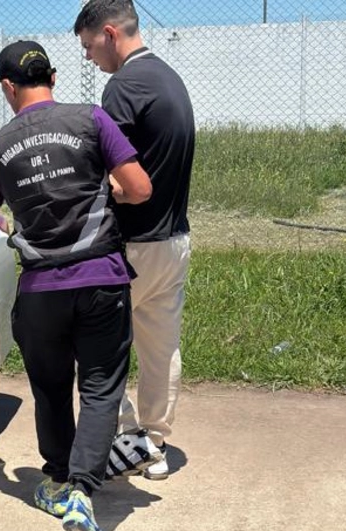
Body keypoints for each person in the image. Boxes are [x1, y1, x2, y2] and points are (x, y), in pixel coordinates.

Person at [0, 40, 152, 531]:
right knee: (100, 387)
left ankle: (60, 479)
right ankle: (83, 493)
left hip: (40, 289)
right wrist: (108, 191)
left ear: (8, 87)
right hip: (101, 279)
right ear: (52, 77)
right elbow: (139, 188)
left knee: (49, 387)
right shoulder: (91, 119)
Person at [74, 0, 196, 480]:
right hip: (173, 238)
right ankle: (155, 444)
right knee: (160, 348)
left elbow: (114, 172)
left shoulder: (124, 87)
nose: (88, 57)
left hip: (132, 244)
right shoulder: (169, 79)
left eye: (88, 46)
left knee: (96, 347)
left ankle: (123, 439)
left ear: (109, 34)